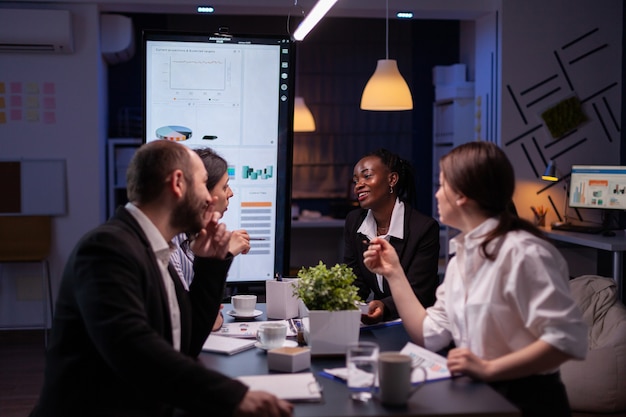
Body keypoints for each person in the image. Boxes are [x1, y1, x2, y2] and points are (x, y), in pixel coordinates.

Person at [30, 140, 293, 417]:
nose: (209, 198)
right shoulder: (106, 249)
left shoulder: (157, 251)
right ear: (178, 183)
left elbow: (187, 345)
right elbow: (136, 353)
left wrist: (211, 265)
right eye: (205, 184)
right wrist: (235, 397)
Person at [363, 141, 587, 416]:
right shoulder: (462, 259)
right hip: (477, 394)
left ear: (462, 196)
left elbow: (566, 340)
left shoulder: (524, 252)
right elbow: (429, 334)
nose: (436, 194)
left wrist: (489, 367)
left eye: (443, 185)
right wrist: (393, 272)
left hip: (526, 401)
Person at [344, 148, 440, 324]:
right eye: (356, 180)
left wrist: (384, 305)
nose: (358, 185)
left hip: (417, 324)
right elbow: (355, 281)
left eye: (367, 176)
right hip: (377, 324)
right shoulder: (354, 222)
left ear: (392, 179)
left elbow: (420, 292)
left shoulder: (424, 228)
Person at [170, 147, 250, 331]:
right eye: (224, 186)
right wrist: (224, 254)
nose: (230, 193)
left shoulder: (196, 238)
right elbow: (198, 321)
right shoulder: (170, 244)